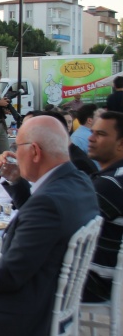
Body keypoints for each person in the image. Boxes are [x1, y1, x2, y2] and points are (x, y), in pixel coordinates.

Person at [0, 115, 99, 336]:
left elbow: (9, 275)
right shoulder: (79, 181)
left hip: (24, 313)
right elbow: (41, 223)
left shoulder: (48, 204)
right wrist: (18, 182)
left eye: (18, 148)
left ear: (35, 152)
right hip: (54, 297)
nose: (15, 154)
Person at [83, 111, 123, 302]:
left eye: (100, 134)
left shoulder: (110, 184)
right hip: (109, 278)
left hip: (94, 282)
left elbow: (62, 222)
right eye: (92, 132)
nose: (90, 138)